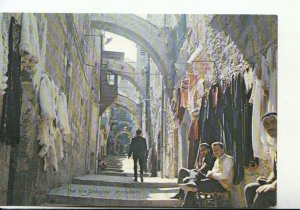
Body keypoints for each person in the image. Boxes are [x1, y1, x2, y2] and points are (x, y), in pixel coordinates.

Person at [180, 142, 234, 207]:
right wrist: (210, 174)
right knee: (193, 181)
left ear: (222, 150)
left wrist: (212, 175)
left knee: (193, 184)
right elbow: (211, 172)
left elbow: (224, 175)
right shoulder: (217, 160)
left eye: (217, 150)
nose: (215, 152)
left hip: (222, 186)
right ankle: (188, 203)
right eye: (214, 151)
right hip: (214, 182)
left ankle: (187, 205)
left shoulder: (228, 159)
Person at [244, 112, 277, 208]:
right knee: (250, 189)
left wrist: (274, 185)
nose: (270, 127)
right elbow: (275, 173)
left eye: (273, 122)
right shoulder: (276, 147)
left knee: (263, 195)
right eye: (266, 124)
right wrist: (268, 181)